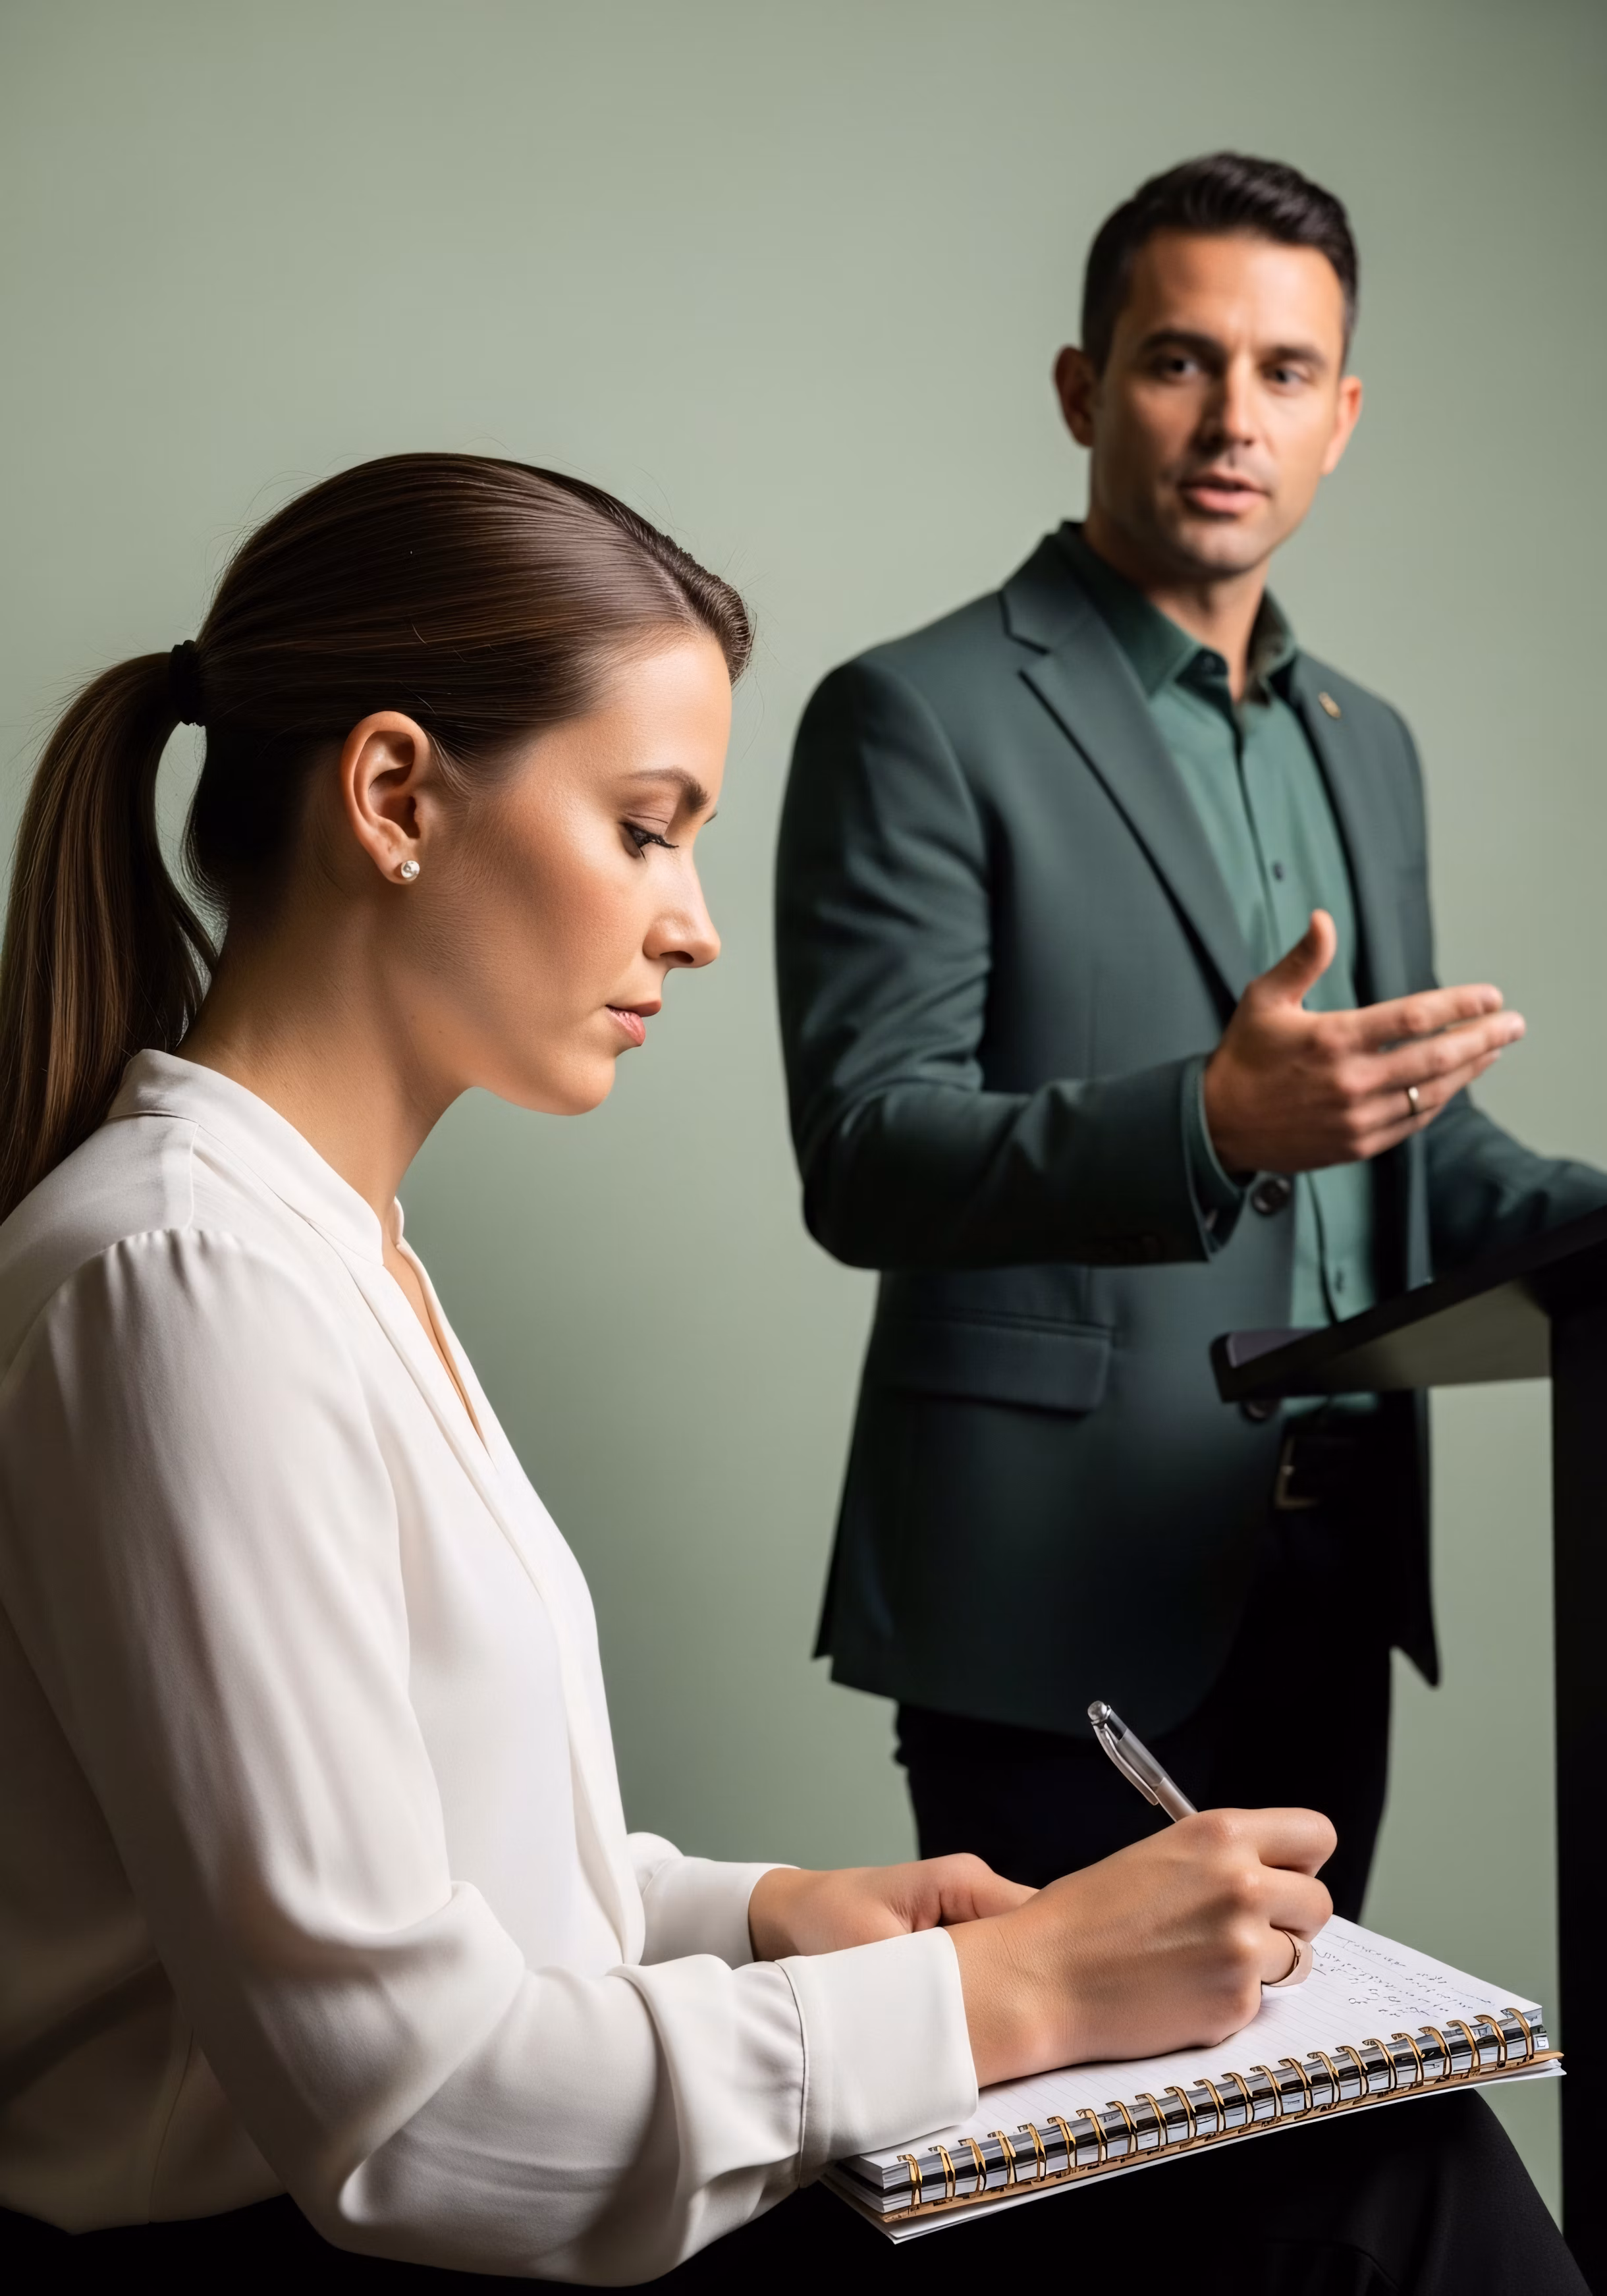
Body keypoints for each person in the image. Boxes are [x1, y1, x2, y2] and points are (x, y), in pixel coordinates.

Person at [0, 454, 1581, 2293]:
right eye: (647, 825)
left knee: (1385, 2142)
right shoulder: (184, 1275)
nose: (693, 922)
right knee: (1382, 2185)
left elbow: (449, 1887)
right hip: (357, 2251)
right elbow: (417, 2115)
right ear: (393, 793)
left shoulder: (311, 1257)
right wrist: (1016, 1985)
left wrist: (767, 1915)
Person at [775, 153, 1607, 1913]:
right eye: (1179, 360)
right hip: (1045, 1586)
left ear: (1344, 412)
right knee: (1091, 2176)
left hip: (1336, 1567)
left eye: (1286, 372)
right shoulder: (912, 714)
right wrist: (1212, 1125)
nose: (1235, 416)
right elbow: (866, 1150)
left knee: (1313, 2152)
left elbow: (1388, 1133)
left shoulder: (1362, 738)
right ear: (1084, 387)